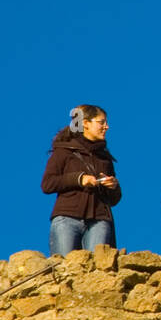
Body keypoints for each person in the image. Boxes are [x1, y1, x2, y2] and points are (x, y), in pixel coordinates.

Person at [41, 105, 122, 254]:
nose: (107, 127)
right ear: (85, 123)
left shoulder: (105, 158)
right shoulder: (63, 151)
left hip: (100, 219)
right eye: (101, 122)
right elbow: (47, 184)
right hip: (67, 218)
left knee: (99, 269)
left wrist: (113, 186)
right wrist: (79, 179)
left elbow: (114, 200)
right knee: (64, 270)